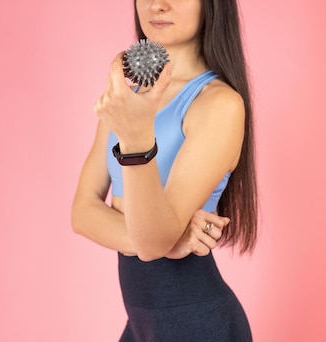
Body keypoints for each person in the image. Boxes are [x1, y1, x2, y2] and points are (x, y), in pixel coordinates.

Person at [71, 0, 258, 340]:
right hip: (143, 327)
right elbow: (82, 212)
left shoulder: (219, 105)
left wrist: (136, 137)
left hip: (198, 323)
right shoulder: (127, 95)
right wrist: (167, 240)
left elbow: (153, 240)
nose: (158, 5)